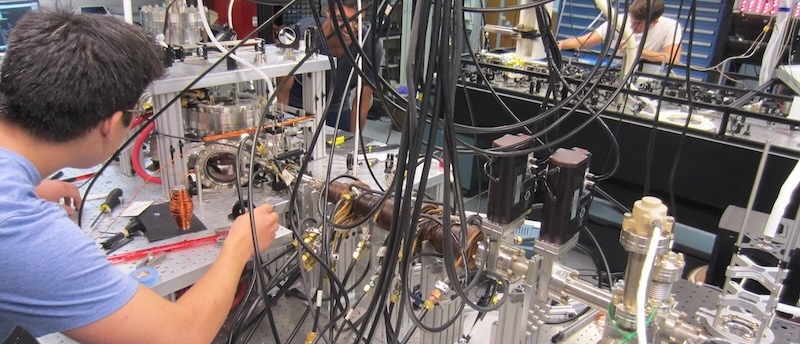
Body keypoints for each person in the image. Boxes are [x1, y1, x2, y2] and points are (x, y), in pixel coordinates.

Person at [0, 10, 280, 343]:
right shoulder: (19, 226)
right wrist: (239, 246)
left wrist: (28, 184)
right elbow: (179, 337)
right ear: (109, 124)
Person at [277, 0, 382, 133]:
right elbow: (282, 93)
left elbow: (362, 101)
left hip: (336, 108)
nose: (349, 27)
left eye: (357, 21)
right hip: (298, 108)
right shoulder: (303, 35)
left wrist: (353, 143)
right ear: (328, 12)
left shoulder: (369, 46)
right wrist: (282, 132)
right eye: (340, 19)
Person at [557, 0, 682, 65]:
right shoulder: (620, 20)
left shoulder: (670, 26)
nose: (631, 27)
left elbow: (672, 59)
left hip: (651, 80)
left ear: (654, 22)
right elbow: (583, 42)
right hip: (620, 75)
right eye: (632, 21)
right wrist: (557, 44)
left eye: (639, 25)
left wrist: (635, 49)